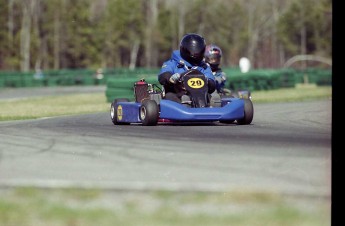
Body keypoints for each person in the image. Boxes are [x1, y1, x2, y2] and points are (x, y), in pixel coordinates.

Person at [158, 33, 216, 103]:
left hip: (200, 96)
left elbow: (211, 82)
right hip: (177, 94)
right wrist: (171, 78)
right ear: (184, 49)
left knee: (211, 97)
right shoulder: (173, 63)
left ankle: (211, 111)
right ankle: (183, 107)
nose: (195, 53)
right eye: (193, 50)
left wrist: (208, 82)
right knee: (169, 96)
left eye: (197, 51)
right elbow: (163, 75)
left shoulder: (204, 67)